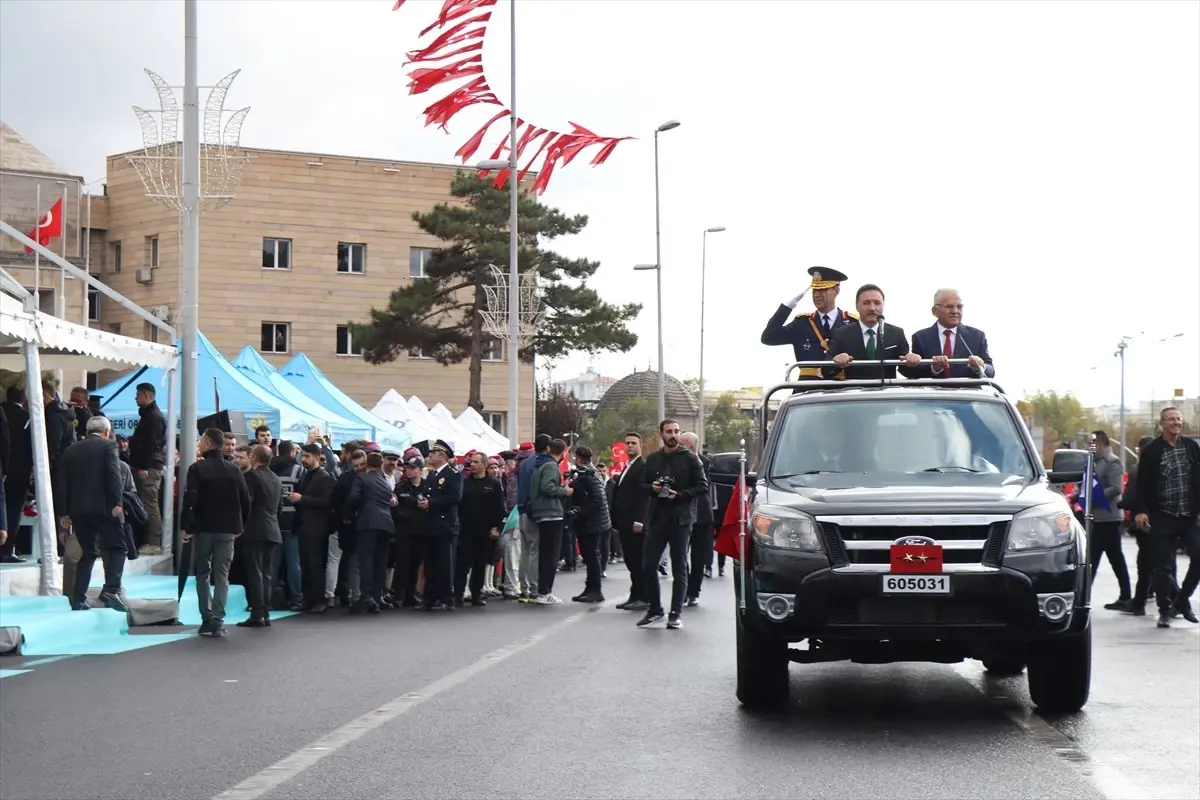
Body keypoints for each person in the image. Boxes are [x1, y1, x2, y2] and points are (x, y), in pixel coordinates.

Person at [1132, 406, 1200, 628]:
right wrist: (1141, 510)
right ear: (1162, 423)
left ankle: (1181, 601)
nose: (1176, 423)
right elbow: (1142, 483)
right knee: (1162, 567)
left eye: (1179, 419)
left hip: (1189, 514)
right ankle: (1164, 609)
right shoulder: (1152, 451)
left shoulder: (1192, 447)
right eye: (1171, 419)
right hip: (1162, 515)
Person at [637, 419, 708, 630]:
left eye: (676, 431)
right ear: (662, 435)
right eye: (669, 432)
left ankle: (675, 613)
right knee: (648, 565)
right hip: (657, 518)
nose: (673, 435)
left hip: (681, 519)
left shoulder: (690, 459)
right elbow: (641, 485)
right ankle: (655, 609)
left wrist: (681, 495)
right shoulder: (653, 459)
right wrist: (654, 488)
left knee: (679, 568)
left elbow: (702, 486)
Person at [181, 427, 251, 637]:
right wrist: (241, 526)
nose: (199, 444)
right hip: (228, 529)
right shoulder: (234, 470)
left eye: (202, 441)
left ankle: (207, 617)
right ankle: (218, 619)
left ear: (209, 443)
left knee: (203, 573)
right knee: (222, 575)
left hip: (204, 528)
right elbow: (245, 501)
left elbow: (190, 499)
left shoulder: (197, 469)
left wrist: (187, 527)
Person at [55, 416, 127, 612]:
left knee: (88, 553)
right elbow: (113, 474)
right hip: (103, 508)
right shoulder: (108, 446)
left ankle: (78, 598)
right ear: (106, 432)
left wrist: (64, 512)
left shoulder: (71, 450)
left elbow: (62, 483)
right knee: (120, 547)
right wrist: (116, 502)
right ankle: (111, 589)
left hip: (78, 510)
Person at [760, 267, 855, 379]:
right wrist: (787, 307)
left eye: (822, 290)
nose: (817, 295)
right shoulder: (801, 323)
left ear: (836, 291)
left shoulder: (852, 323)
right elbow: (768, 337)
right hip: (807, 390)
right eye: (814, 290)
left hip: (842, 390)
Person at [823, 284, 921, 381]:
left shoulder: (896, 333)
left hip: (887, 393)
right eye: (866, 303)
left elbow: (906, 371)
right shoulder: (842, 334)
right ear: (857, 306)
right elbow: (826, 371)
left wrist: (912, 361)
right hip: (854, 393)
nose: (872, 308)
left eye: (877, 303)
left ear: (883, 305)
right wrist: (837, 362)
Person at [345, 451, 398, 614]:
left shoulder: (362, 478)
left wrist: (348, 515)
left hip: (368, 522)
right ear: (381, 464)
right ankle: (378, 596)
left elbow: (354, 497)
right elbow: (390, 498)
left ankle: (366, 597)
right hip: (386, 524)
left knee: (366, 560)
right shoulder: (384, 481)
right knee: (380, 561)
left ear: (367, 464)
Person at [238, 444, 282, 628]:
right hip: (272, 528)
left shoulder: (252, 476)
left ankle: (257, 612)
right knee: (266, 573)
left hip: (254, 529)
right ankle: (265, 611)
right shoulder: (276, 478)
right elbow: (278, 507)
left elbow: (246, 504)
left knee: (255, 572)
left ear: (254, 457)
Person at [907, 288, 995, 378]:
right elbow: (913, 373)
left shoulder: (977, 336)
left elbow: (991, 371)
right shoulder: (920, 337)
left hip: (968, 391)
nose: (955, 311)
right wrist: (934, 368)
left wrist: (980, 366)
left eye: (959, 307)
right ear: (934, 311)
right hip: (933, 391)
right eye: (949, 306)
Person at [456, 451, 506, 606]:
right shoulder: (465, 482)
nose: (473, 464)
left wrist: (496, 527)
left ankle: (476, 593)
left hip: (485, 530)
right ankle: (458, 594)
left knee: (480, 563)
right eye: (471, 462)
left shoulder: (494, 484)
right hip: (466, 530)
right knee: (463, 563)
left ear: (484, 464)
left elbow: (499, 508)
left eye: (476, 462)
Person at [1087, 431, 1131, 605]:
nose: (1087, 448)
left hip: (1108, 518)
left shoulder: (1112, 462)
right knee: (1112, 557)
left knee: (1093, 558)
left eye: (1090, 444)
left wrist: (1094, 497)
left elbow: (1116, 488)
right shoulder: (1093, 463)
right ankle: (1125, 595)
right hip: (1097, 517)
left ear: (1100, 444)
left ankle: (1083, 596)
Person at [292, 443, 336, 614]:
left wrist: (302, 498)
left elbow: (327, 502)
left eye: (307, 456)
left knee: (316, 565)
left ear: (318, 457)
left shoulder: (325, 478)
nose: (304, 460)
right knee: (305, 564)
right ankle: (308, 599)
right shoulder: (305, 476)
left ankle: (319, 600)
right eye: (303, 456)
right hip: (304, 526)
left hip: (318, 528)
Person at [529, 438, 573, 605]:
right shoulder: (551, 466)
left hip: (542, 512)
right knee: (551, 555)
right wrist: (564, 490)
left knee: (546, 554)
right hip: (551, 513)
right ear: (563, 452)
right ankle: (545, 591)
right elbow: (547, 487)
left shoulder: (541, 465)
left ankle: (542, 590)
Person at [419, 439, 462, 611]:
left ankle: (446, 596)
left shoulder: (453, 474)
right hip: (431, 524)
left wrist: (432, 503)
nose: (429, 456)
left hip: (445, 524)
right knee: (430, 562)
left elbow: (454, 497)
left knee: (445, 562)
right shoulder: (432, 474)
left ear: (442, 455)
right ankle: (429, 597)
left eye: (433, 453)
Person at [128, 382, 167, 555]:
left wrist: (143, 466)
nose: (135, 398)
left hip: (149, 467)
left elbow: (152, 444)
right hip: (146, 465)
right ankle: (147, 540)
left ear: (145, 395)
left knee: (150, 503)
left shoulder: (154, 418)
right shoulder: (150, 416)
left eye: (137, 395)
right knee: (145, 502)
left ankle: (154, 542)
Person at [612, 432, 649, 611]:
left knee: (637, 560)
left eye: (633, 443)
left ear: (640, 445)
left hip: (635, 523)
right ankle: (635, 594)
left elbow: (643, 496)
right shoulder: (628, 466)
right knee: (630, 560)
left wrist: (640, 520)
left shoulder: (642, 466)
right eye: (627, 443)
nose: (630, 446)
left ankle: (643, 596)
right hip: (624, 522)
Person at [569, 446, 610, 603]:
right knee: (590, 556)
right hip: (592, 521)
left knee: (592, 556)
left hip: (593, 523)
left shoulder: (590, 475)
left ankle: (595, 589)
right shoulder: (588, 473)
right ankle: (590, 587)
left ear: (578, 458)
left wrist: (580, 511)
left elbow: (597, 499)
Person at [679, 432, 715, 606]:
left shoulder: (705, 463)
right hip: (682, 515)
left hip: (701, 516)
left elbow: (703, 487)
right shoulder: (675, 461)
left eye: (683, 444)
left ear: (692, 446)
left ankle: (694, 592)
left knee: (698, 557)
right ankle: (684, 590)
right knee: (679, 555)